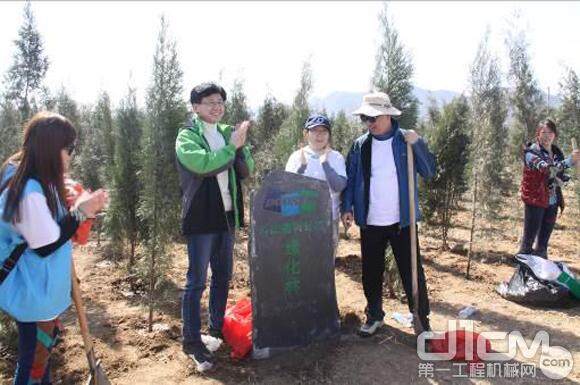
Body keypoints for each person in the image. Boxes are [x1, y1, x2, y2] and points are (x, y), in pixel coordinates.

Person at [0, 112, 107, 385]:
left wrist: (68, 197)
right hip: (34, 290)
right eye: (68, 149)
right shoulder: (28, 192)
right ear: (51, 148)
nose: (70, 156)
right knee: (34, 363)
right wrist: (81, 211)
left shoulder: (22, 170)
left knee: (38, 357)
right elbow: (46, 244)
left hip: (34, 287)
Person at [341, 92, 436, 336]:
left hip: (401, 221)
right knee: (371, 272)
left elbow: (428, 171)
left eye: (373, 117)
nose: (369, 122)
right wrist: (347, 206)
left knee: (411, 272)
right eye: (365, 117)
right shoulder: (361, 145)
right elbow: (351, 179)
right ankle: (374, 315)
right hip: (370, 220)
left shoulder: (405, 140)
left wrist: (419, 143)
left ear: (387, 115)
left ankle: (421, 321)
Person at [175, 82, 254, 372]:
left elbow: (247, 171)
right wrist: (232, 146)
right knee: (196, 280)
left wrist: (241, 149)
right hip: (201, 216)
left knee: (223, 275)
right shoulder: (187, 136)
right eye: (209, 102)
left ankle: (216, 329)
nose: (216, 106)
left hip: (226, 215)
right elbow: (203, 165)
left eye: (220, 101)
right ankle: (191, 340)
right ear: (195, 107)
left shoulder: (225, 133)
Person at [517, 118, 579, 258]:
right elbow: (547, 169)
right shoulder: (531, 153)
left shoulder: (557, 153)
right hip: (535, 201)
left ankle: (538, 278)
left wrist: (565, 178)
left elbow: (560, 175)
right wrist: (570, 161)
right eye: (543, 132)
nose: (547, 136)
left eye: (550, 132)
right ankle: (522, 276)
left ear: (555, 135)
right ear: (538, 134)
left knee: (542, 246)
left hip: (552, 202)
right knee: (527, 245)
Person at [285, 114, 347, 251]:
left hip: (328, 219)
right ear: (306, 134)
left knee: (325, 263)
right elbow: (288, 189)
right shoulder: (296, 157)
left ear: (329, 134)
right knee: (303, 260)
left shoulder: (336, 157)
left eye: (324, 131)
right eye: (314, 131)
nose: (319, 135)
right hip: (301, 219)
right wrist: (301, 168)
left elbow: (339, 186)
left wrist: (325, 163)